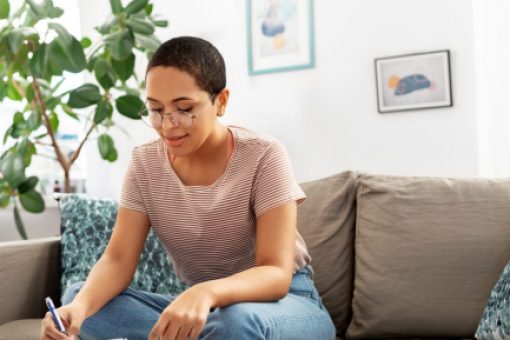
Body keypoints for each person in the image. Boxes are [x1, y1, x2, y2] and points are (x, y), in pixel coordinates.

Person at [40, 36, 336, 340]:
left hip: (283, 305)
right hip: (209, 312)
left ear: (220, 101)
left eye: (184, 108)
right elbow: (117, 259)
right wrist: (79, 308)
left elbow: (275, 274)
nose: (168, 125)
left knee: (235, 320)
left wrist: (206, 292)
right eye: (155, 109)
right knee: (82, 300)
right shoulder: (144, 164)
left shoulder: (264, 155)